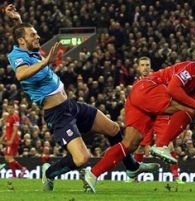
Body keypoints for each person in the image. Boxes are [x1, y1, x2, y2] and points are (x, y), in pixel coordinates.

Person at [4, 4, 158, 190]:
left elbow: (22, 34)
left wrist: (17, 19)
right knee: (81, 158)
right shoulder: (17, 55)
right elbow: (21, 74)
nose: (37, 36)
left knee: (113, 128)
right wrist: (46, 61)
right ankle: (49, 173)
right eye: (33, 34)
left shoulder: (29, 49)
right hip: (57, 114)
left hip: (70, 105)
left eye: (36, 33)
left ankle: (132, 168)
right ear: (21, 41)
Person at [83, 61, 195, 192]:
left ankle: (92, 174)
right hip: (148, 88)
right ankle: (161, 144)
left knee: (130, 144)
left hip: (141, 99)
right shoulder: (194, 68)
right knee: (188, 108)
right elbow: (173, 89)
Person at [1, 104, 26, 178]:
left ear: (14, 109)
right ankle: (22, 169)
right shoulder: (8, 117)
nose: (10, 110)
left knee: (10, 158)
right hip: (9, 139)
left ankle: (14, 176)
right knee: (6, 157)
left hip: (13, 140)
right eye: (9, 108)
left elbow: (15, 130)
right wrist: (2, 138)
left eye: (12, 108)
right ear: (7, 109)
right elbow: (7, 130)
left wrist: (11, 140)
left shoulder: (15, 117)